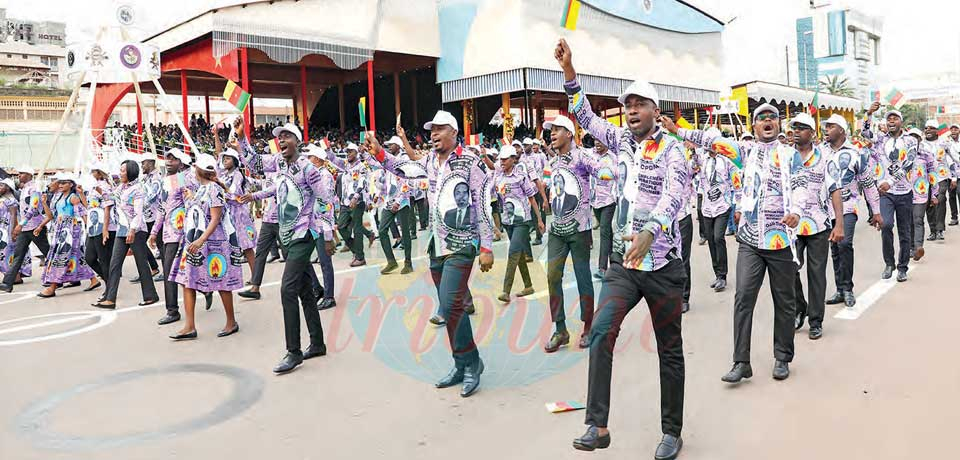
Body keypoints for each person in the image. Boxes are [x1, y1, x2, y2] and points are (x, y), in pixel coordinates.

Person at [558, 39, 685, 460]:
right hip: (625, 265)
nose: (631, 111)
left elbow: (675, 195)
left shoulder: (673, 150)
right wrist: (570, 71)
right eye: (627, 105)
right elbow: (584, 116)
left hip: (663, 265)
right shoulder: (621, 142)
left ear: (655, 110)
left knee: (669, 349)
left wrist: (652, 229)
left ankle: (671, 431)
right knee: (600, 331)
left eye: (639, 104)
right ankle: (597, 423)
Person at [668, 102, 803, 383]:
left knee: (784, 301)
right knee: (743, 298)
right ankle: (741, 362)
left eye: (772, 118)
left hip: (780, 240)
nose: (767, 121)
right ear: (754, 126)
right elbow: (713, 140)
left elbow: (802, 187)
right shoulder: (745, 152)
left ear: (779, 125)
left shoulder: (790, 155)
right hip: (750, 239)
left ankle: (782, 357)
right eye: (761, 118)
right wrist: (679, 131)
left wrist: (797, 212)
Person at [365, 110, 494, 398]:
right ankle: (460, 364)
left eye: (440, 129)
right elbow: (405, 169)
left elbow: (483, 202)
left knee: (450, 305)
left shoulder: (470, 162)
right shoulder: (430, 161)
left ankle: (473, 363)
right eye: (432, 130)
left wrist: (486, 246)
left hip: (462, 244)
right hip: (437, 244)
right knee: (450, 309)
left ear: (454, 132)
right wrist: (381, 156)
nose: (434, 134)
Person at [236, 121, 327, 374]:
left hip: (303, 235)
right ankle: (318, 343)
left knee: (286, 289)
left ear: (297, 141)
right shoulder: (280, 164)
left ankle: (294, 351)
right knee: (303, 291)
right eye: (280, 137)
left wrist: (327, 233)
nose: (282, 140)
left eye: (287, 136)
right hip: (287, 235)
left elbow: (325, 199)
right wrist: (242, 138)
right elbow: (254, 164)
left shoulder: (309, 169)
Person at [167, 154, 242, 340]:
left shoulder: (214, 189)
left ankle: (231, 322)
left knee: (222, 283)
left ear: (199, 170)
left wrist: (201, 240)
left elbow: (215, 219)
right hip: (195, 243)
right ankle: (189, 326)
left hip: (214, 244)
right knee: (187, 280)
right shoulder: (201, 189)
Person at [542, 114, 599, 353]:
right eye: (551, 131)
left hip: (579, 228)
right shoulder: (552, 162)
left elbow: (602, 171)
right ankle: (560, 329)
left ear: (569, 134)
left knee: (582, 275)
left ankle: (588, 325)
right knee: (552, 276)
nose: (552, 134)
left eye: (557, 130)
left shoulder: (582, 157)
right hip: (557, 229)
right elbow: (548, 186)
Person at [787, 113, 844, 340]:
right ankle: (800, 307)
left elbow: (835, 190)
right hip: (791, 225)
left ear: (812, 133)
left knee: (816, 274)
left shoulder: (825, 159)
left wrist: (839, 223)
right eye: (794, 128)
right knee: (789, 270)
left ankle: (816, 320)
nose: (797, 131)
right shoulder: (785, 158)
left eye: (802, 128)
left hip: (818, 225)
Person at [820, 114, 882, 308]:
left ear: (841, 130)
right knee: (835, 249)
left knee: (844, 243)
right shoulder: (820, 152)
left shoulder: (856, 154)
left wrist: (876, 211)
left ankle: (847, 289)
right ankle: (840, 289)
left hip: (848, 205)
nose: (826, 130)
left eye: (830, 126)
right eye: (826, 126)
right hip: (824, 208)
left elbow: (868, 183)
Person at [149, 148, 212, 324]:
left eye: (173, 159)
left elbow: (194, 204)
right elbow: (163, 208)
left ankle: (172, 310)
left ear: (181, 163)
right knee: (176, 272)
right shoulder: (168, 181)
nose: (168, 161)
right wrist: (154, 232)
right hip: (168, 234)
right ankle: (202, 291)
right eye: (167, 158)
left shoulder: (186, 178)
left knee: (173, 271)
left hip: (182, 234)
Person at [862, 104, 924, 282]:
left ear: (901, 122)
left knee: (904, 231)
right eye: (888, 118)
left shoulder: (911, 141)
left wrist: (890, 182)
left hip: (904, 192)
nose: (891, 121)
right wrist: (869, 114)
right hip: (886, 194)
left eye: (895, 118)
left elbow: (908, 163)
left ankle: (902, 267)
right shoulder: (881, 139)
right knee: (886, 225)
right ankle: (889, 263)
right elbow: (865, 133)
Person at [93, 160, 160, 308]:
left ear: (130, 172)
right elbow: (111, 198)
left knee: (141, 263)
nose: (120, 172)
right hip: (122, 230)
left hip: (136, 231)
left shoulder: (137, 189)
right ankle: (110, 299)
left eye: (123, 170)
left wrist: (132, 230)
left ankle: (150, 296)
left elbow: (138, 213)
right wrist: (100, 191)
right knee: (114, 264)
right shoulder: (121, 188)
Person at [486, 145, 544, 302]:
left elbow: (532, 198)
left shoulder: (521, 177)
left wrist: (538, 219)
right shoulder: (498, 177)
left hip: (522, 220)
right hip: (507, 221)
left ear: (513, 159)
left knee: (512, 253)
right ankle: (528, 285)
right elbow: (489, 192)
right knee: (518, 255)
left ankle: (506, 290)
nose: (502, 162)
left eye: (505, 159)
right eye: (501, 159)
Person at [37, 173, 97, 298]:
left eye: (64, 183)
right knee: (77, 256)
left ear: (70, 184)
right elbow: (51, 215)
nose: (60, 185)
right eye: (59, 182)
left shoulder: (73, 197)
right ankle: (93, 279)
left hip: (70, 230)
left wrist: (89, 228)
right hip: (60, 229)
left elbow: (83, 212)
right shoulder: (58, 197)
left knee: (60, 257)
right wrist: (44, 203)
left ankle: (52, 286)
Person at [697, 128, 740, 293]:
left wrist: (738, 205)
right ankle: (717, 273)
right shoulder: (702, 160)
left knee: (718, 237)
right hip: (707, 207)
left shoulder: (727, 161)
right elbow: (693, 170)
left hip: (723, 205)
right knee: (710, 240)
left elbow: (737, 183)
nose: (710, 145)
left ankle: (723, 275)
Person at [297, 144, 337, 310]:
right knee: (304, 258)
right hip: (310, 222)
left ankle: (329, 296)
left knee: (325, 261)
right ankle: (317, 287)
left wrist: (328, 234)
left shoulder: (325, 176)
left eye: (311, 157)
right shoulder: (312, 174)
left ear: (319, 160)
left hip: (321, 224)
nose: (308, 160)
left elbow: (325, 205)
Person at [0, 166, 49, 292]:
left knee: (48, 253)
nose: (19, 176)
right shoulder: (24, 189)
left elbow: (33, 208)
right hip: (25, 229)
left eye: (22, 173)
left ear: (28, 175)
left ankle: (57, 278)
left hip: (35, 227)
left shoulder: (34, 189)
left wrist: (21, 224)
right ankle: (7, 283)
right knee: (18, 255)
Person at [329, 143, 375, 267]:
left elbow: (362, 182)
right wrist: (328, 149)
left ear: (356, 153)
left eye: (350, 151)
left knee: (357, 229)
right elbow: (334, 159)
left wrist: (356, 197)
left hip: (357, 202)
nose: (348, 154)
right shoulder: (345, 165)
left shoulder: (361, 167)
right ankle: (355, 249)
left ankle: (360, 258)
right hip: (345, 203)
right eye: (347, 152)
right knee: (341, 226)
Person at [215, 142, 257, 274]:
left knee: (246, 247)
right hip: (228, 214)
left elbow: (233, 193)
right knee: (230, 247)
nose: (224, 161)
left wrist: (220, 187)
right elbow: (218, 153)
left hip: (239, 214)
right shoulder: (223, 174)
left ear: (234, 161)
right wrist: (216, 134)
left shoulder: (238, 175)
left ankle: (256, 277)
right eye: (224, 159)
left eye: (227, 159)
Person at [376, 136, 415, 275]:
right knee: (382, 230)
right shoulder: (388, 162)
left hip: (402, 202)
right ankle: (391, 261)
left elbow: (407, 182)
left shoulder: (404, 160)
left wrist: (399, 201)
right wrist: (379, 193)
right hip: (389, 201)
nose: (389, 147)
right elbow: (385, 181)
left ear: (398, 146)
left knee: (405, 233)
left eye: (391, 145)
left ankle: (408, 263)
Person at [904, 127, 938, 264]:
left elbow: (933, 174)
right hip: (904, 193)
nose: (913, 140)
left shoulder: (926, 154)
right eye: (910, 137)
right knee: (908, 221)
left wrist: (934, 194)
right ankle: (911, 247)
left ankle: (918, 247)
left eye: (916, 137)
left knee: (917, 219)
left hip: (921, 193)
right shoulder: (902, 154)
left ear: (920, 139)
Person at [922, 119, 956, 241]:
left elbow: (953, 159)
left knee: (940, 199)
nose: (928, 130)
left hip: (941, 177)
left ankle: (940, 229)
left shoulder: (944, 143)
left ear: (937, 131)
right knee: (929, 203)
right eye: (926, 128)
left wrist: (954, 177)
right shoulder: (920, 144)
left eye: (931, 128)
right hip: (925, 179)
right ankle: (933, 231)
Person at [132, 152, 163, 283]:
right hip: (146, 218)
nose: (142, 166)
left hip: (157, 217)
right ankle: (152, 268)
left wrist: (138, 203)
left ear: (150, 163)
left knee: (161, 246)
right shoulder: (144, 178)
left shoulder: (157, 178)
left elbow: (152, 196)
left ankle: (165, 271)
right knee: (138, 244)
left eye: (143, 163)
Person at [589, 138, 617, 280]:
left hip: (609, 200)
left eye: (600, 140)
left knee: (604, 232)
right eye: (595, 140)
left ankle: (602, 268)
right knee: (608, 234)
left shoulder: (613, 157)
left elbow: (620, 176)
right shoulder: (590, 155)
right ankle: (615, 265)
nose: (597, 143)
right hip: (595, 201)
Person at [0, 177, 31, 285]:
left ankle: (15, 277)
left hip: (8, 229)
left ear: (8, 188)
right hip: (2, 229)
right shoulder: (2, 199)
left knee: (8, 252)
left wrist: (13, 231)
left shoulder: (11, 201)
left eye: (1, 186)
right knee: (4, 253)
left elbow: (14, 216)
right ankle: (9, 276)